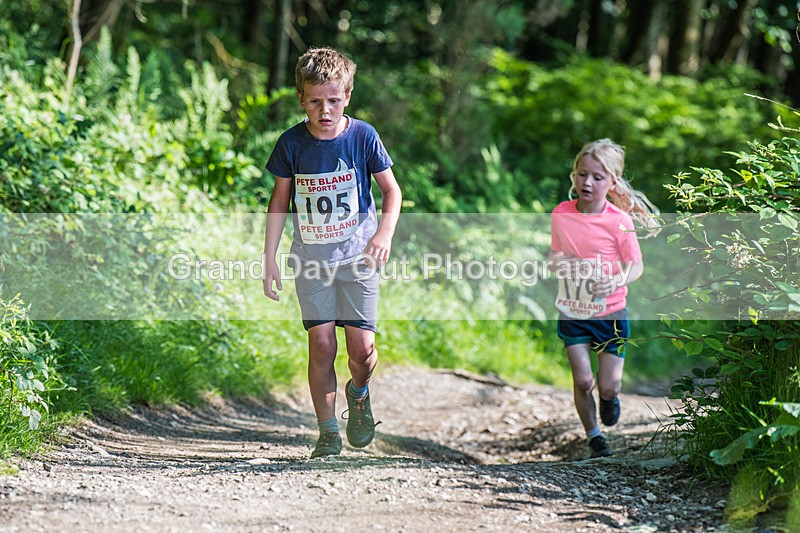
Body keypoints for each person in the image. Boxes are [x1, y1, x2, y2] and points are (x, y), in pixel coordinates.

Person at [262, 47, 402, 459]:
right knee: (322, 344)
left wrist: (384, 234)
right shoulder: (291, 143)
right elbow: (279, 203)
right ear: (301, 99)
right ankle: (326, 433)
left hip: (359, 258)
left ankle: (358, 395)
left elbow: (392, 191)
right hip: (310, 260)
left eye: (334, 100)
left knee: (362, 351)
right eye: (316, 101)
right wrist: (269, 258)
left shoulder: (363, 136)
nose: (325, 110)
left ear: (348, 96)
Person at [548, 139, 659, 458]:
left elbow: (636, 265)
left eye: (597, 177)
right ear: (574, 176)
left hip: (611, 313)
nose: (588, 182)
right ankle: (594, 437)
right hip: (573, 311)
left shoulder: (619, 221)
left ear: (612, 183)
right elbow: (553, 257)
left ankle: (610, 399)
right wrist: (564, 263)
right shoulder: (562, 213)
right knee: (583, 380)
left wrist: (615, 280)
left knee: (608, 386)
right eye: (582, 174)